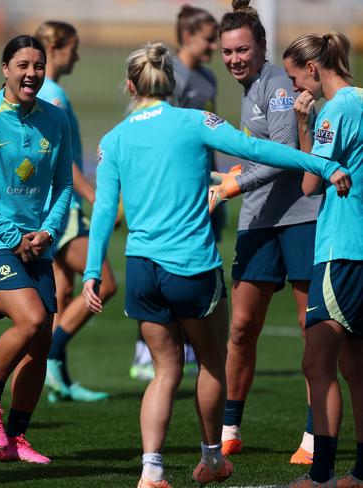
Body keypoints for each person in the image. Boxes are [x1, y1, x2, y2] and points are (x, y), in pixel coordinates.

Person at [81, 41, 350, 488]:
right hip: (191, 268)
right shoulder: (193, 121)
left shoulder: (113, 141)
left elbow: (105, 212)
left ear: (131, 85)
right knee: (210, 363)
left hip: (143, 271)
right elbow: (259, 150)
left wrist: (92, 272)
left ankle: (151, 470)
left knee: (164, 371)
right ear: (170, 84)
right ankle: (210, 458)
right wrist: (318, 162)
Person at [0, 34, 73, 464]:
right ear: (5, 69)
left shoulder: (55, 120)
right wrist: (10, 235)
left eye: (38, 66)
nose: (31, 74)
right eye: (22, 65)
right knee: (32, 318)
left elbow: (63, 185)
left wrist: (47, 231)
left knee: (41, 341)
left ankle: (16, 440)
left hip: (35, 243)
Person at [215, 0, 322, 463]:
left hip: (299, 218)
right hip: (258, 221)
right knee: (241, 328)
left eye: (242, 49)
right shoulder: (250, 85)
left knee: (311, 328)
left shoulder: (277, 85)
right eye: (228, 51)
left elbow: (282, 154)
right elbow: (262, 151)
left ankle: (314, 434)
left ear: (261, 47)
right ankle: (230, 426)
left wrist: (236, 182)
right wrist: (237, 169)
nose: (234, 58)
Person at [283, 32, 363, 488]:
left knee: (317, 363)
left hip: (341, 248)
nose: (296, 90)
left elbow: (310, 185)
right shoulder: (362, 100)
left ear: (313, 70)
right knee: (354, 367)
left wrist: (303, 124)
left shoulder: (335, 109)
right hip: (359, 247)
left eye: (296, 79)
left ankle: (321, 475)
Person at [130, 4, 220, 382]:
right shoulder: (170, 78)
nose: (215, 45)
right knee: (161, 264)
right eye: (208, 38)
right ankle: (145, 350)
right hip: (175, 189)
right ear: (187, 38)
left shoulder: (210, 79)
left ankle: (181, 343)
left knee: (197, 262)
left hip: (209, 182)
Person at [34, 20, 116, 403]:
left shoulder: (46, 92)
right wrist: (98, 200)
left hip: (51, 204)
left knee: (62, 292)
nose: (77, 56)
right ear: (56, 49)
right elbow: (61, 159)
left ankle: (57, 379)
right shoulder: (52, 95)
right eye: (73, 48)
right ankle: (47, 353)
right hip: (61, 207)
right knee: (105, 281)